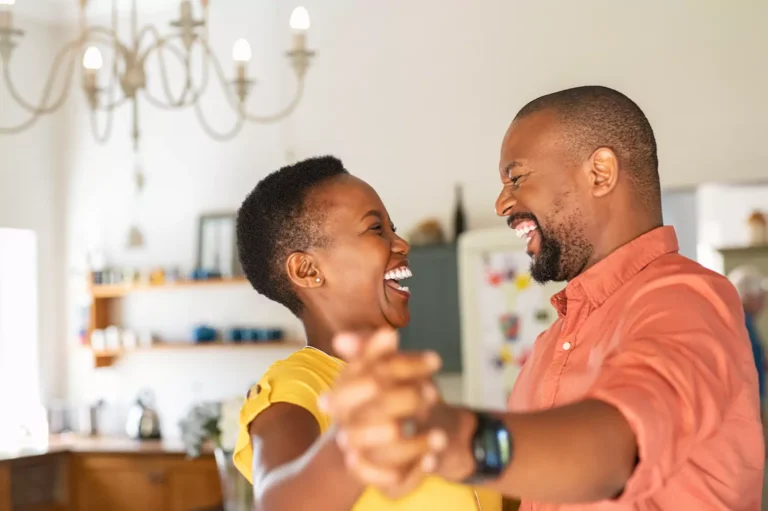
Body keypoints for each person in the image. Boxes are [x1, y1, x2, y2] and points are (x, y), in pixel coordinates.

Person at [322, 86, 765, 510]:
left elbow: (612, 452)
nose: (500, 203)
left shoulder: (684, 300)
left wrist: (451, 438)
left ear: (600, 172)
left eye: (516, 176)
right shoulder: (553, 342)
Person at [232, 156, 501, 511]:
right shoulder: (294, 387)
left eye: (393, 228)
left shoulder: (404, 388)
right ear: (308, 269)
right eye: (376, 230)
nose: (402, 243)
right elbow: (278, 501)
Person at [728, 265, 767, 412]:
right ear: (748, 296)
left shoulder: (744, 321)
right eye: (761, 298)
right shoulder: (741, 322)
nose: (763, 305)